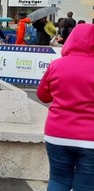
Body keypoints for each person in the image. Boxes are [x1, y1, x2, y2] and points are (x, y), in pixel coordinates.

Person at [37, 24, 94, 190]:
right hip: (90, 138)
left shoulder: (57, 65)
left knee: (58, 180)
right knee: (86, 185)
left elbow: (43, 95)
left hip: (57, 133)